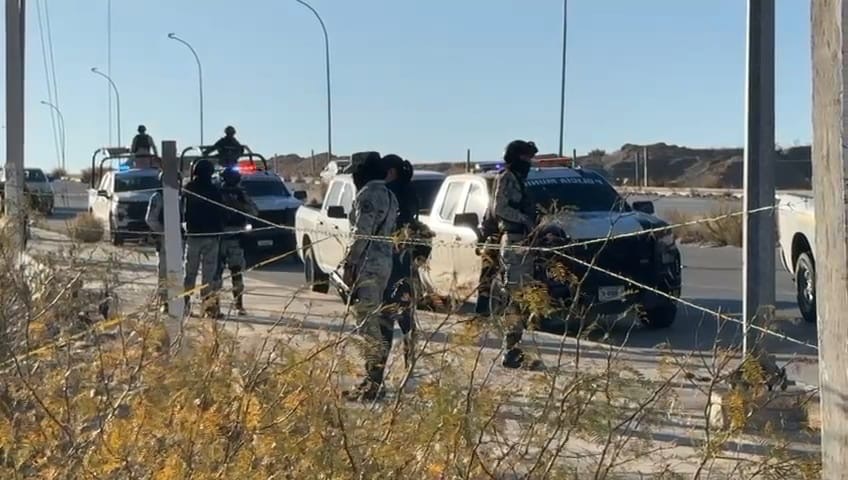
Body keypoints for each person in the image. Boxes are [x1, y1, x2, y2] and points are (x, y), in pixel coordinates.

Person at [339, 152, 399, 402]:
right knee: (372, 319)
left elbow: (361, 233)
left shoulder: (367, 195)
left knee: (366, 321)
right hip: (384, 261)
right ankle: (373, 378)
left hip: (368, 263)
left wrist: (349, 264)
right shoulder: (390, 195)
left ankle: (372, 381)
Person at [492, 139, 543, 370]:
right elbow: (499, 208)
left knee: (523, 297)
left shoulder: (520, 180)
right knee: (515, 297)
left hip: (524, 242)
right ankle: (510, 351)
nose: (528, 163)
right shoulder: (505, 178)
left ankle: (515, 348)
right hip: (513, 242)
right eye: (525, 158)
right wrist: (523, 219)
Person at [380, 154, 432, 373]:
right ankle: (409, 365)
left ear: (391, 171)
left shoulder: (390, 193)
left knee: (384, 319)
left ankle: (377, 371)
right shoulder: (409, 191)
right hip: (407, 262)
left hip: (391, 260)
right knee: (406, 317)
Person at [182, 158, 226, 319]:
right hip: (211, 236)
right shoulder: (215, 190)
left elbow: (183, 211)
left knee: (190, 272)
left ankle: (185, 305)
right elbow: (221, 212)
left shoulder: (189, 189)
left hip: (194, 235)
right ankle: (209, 309)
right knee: (209, 274)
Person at [212, 166, 258, 316]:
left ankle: (221, 305)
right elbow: (253, 211)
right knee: (233, 273)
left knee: (219, 274)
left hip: (226, 238)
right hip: (228, 238)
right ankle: (236, 306)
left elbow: (253, 211)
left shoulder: (219, 192)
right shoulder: (226, 193)